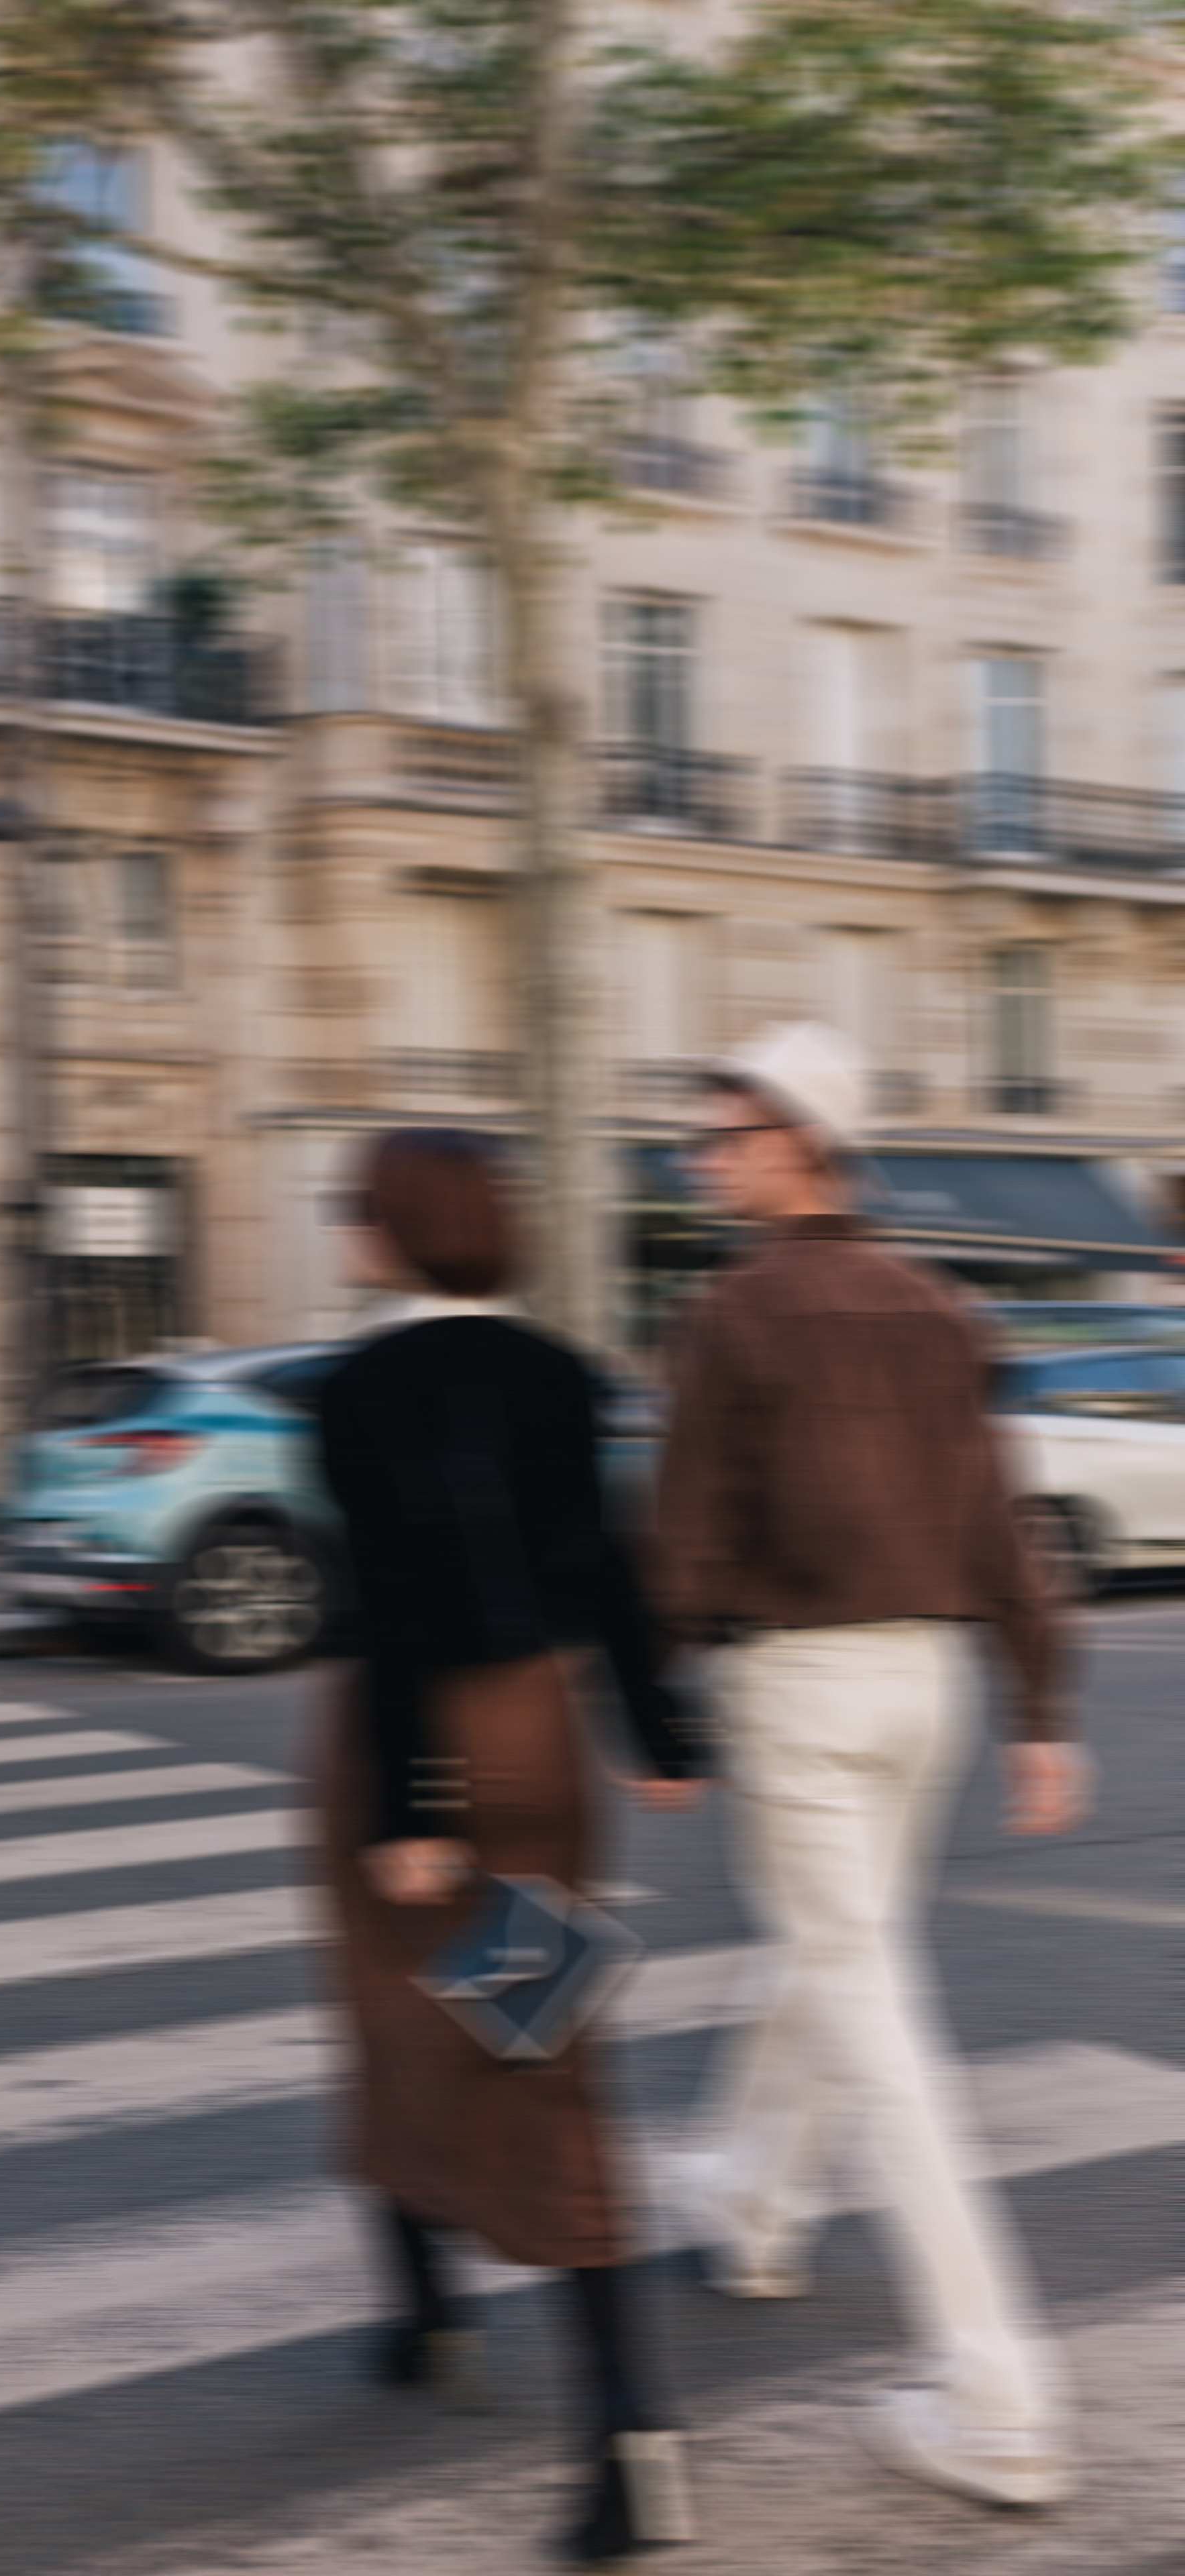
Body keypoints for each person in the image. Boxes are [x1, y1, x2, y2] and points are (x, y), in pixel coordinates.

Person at [653, 1022, 1088, 2512]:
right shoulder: (938, 1308)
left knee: (873, 2022)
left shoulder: (732, 1313)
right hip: (930, 1685)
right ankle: (751, 2200)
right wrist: (1041, 1709)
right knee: (832, 1958)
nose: (702, 1159)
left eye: (724, 1136)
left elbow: (683, 1536)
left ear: (798, 1145)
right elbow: (1001, 1523)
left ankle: (998, 2396)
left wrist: (655, 1700)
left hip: (802, 1687)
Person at [315, 1127, 705, 2567]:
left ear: (397, 1229)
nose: (344, 1228)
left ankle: (428, 2312)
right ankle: (619, 2426)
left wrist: (410, 1803)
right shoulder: (559, 1371)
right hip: (545, 1737)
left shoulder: (356, 1384)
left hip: (402, 1738)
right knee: (548, 2057)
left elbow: (398, 1592)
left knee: (383, 2022)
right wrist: (660, 1733)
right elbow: (611, 1560)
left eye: (354, 1211)